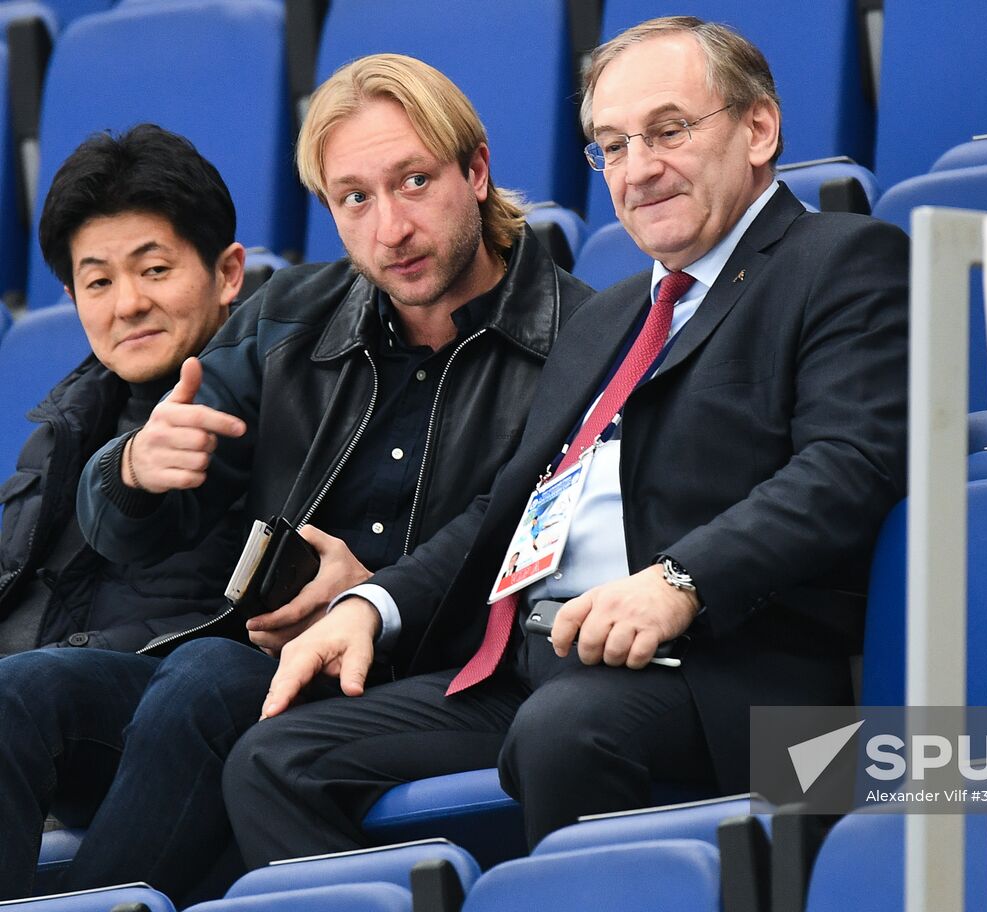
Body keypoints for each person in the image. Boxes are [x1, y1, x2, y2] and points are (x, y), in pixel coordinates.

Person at [224, 15, 909, 861]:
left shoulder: (841, 261)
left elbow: (848, 468)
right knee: (275, 758)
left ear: (758, 128)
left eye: (667, 131)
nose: (639, 169)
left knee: (566, 730)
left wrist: (680, 581)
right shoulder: (613, 315)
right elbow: (506, 507)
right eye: (612, 146)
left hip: (725, 671)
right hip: (535, 665)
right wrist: (377, 605)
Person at [0, 54, 588, 902]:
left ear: (477, 171)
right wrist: (134, 472)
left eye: (414, 181)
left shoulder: (581, 335)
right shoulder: (288, 319)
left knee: (206, 678)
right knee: (18, 690)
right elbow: (136, 527)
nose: (391, 227)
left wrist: (374, 599)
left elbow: (544, 560)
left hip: (437, 679)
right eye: (355, 198)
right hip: (270, 664)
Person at [0, 124, 245, 658]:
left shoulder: (283, 398)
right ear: (71, 297)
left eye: (154, 269)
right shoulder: (61, 426)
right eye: (99, 283)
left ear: (228, 273)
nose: (127, 304)